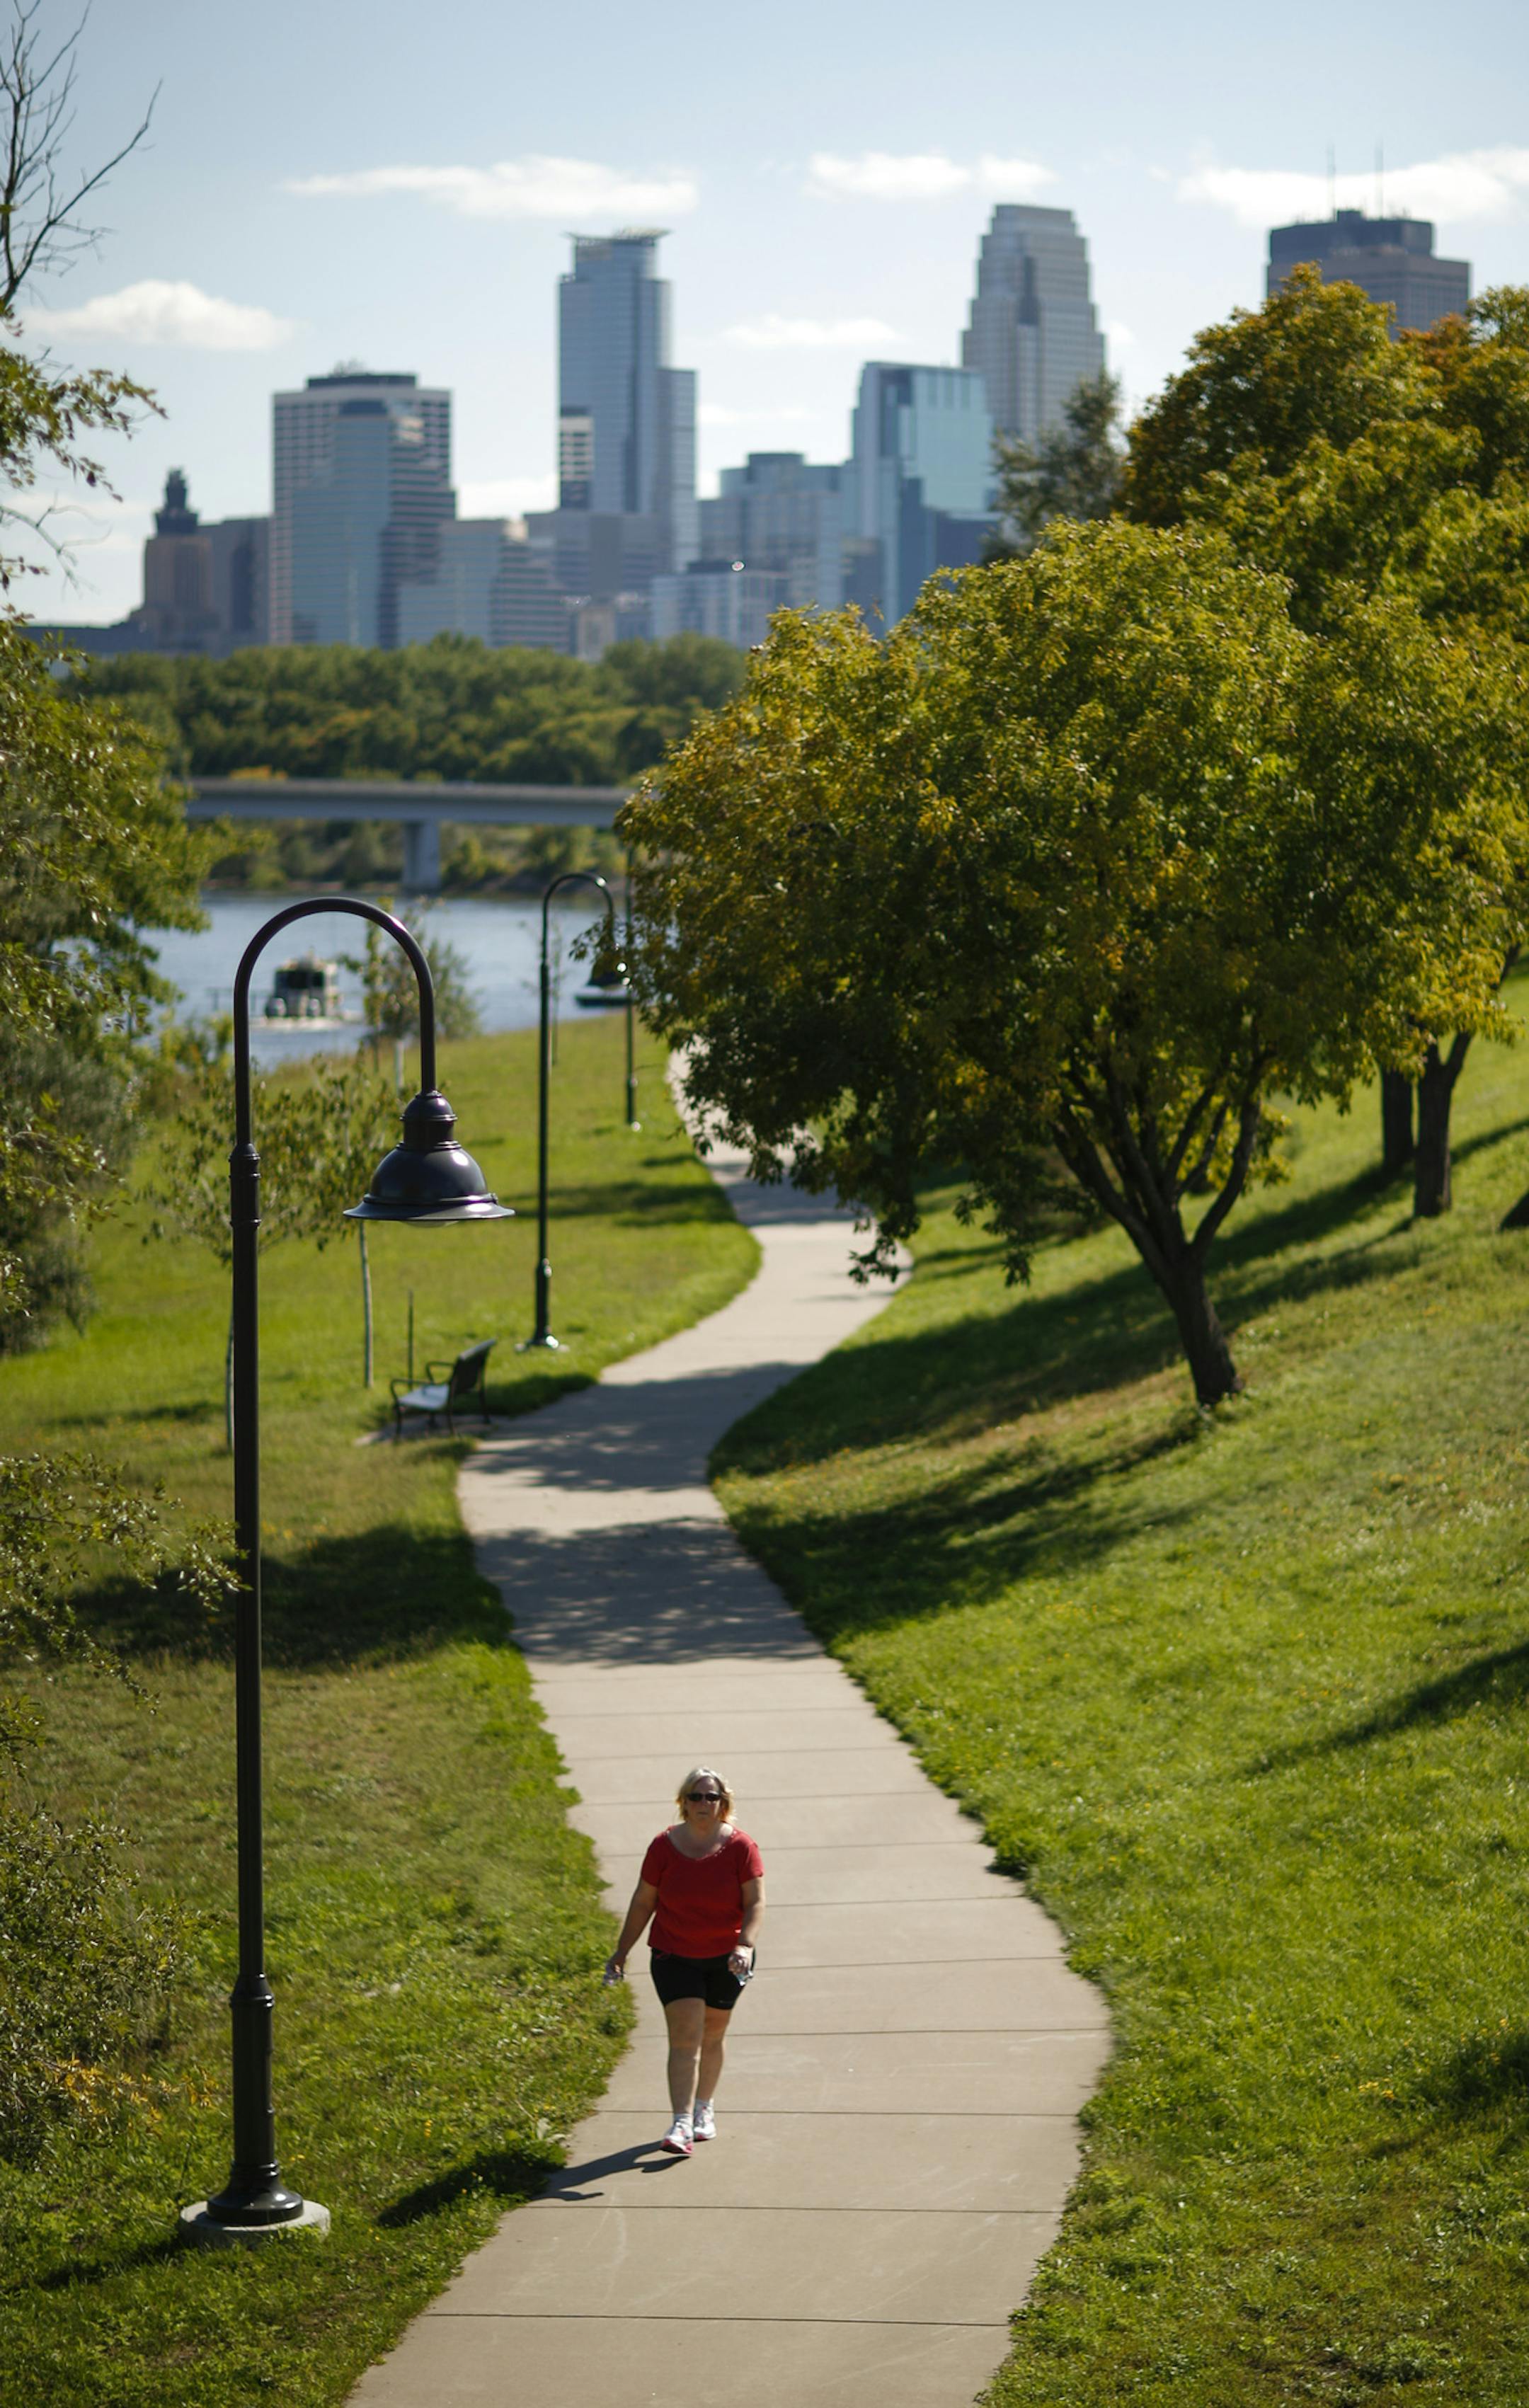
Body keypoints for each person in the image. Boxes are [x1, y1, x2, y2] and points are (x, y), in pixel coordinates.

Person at [604, 1765, 765, 2157]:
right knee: (685, 2039)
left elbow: (755, 1903)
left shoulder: (741, 1847)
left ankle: (703, 2108)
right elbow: (644, 1901)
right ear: (683, 1803)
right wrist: (622, 1951)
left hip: (728, 1959)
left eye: (711, 1797)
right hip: (675, 1956)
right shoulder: (663, 1847)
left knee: (712, 2035)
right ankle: (680, 2122)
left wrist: (744, 1945)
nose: (703, 1803)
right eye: (695, 1796)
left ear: (723, 1803)